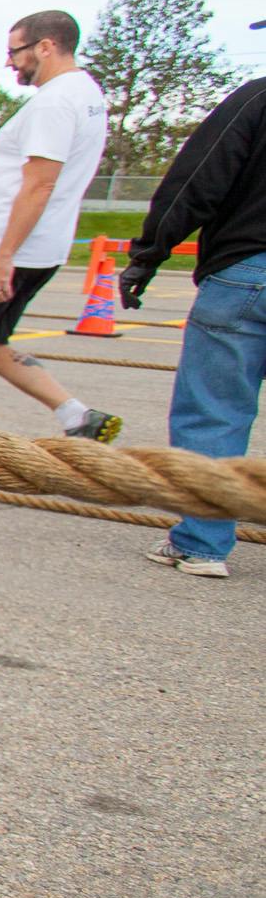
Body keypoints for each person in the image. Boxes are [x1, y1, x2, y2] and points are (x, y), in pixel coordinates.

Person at [0, 12, 119, 440]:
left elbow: (38, 186)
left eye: (15, 51)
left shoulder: (53, 102)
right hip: (34, 245)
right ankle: (76, 415)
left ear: (45, 46)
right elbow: (18, 183)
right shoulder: (86, 93)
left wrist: (0, 256)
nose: (11, 63)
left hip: (10, 248)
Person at [121, 74, 266, 579]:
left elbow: (197, 180)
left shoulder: (257, 97)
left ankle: (202, 544)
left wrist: (147, 255)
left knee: (214, 412)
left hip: (248, 273)